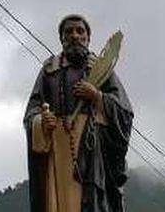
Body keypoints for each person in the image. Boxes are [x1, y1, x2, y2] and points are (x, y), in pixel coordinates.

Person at [24, 14, 134, 212]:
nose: (74, 35)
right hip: (58, 150)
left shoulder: (101, 70)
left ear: (88, 37)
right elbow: (32, 111)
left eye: (80, 31)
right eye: (69, 32)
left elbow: (124, 111)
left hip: (91, 149)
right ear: (62, 39)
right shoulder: (49, 71)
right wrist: (41, 121)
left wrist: (97, 96)